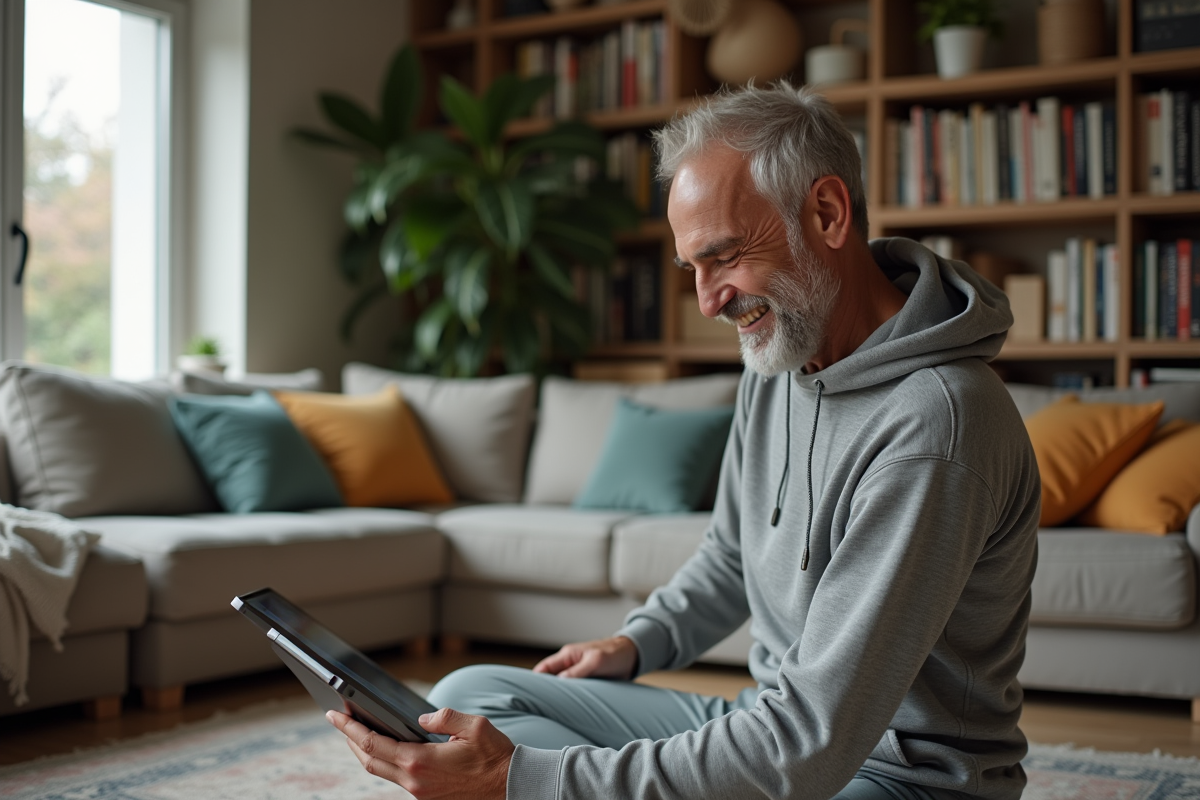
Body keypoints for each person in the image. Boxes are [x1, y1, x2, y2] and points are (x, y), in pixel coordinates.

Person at [326, 82, 1041, 800]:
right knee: (470, 696)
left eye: (725, 257)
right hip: (775, 728)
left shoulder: (938, 422)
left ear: (826, 213)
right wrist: (638, 643)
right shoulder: (784, 355)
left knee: (511, 771)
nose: (708, 301)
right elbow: (734, 554)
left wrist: (523, 778)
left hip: (898, 778)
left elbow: (808, 743)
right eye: (692, 267)